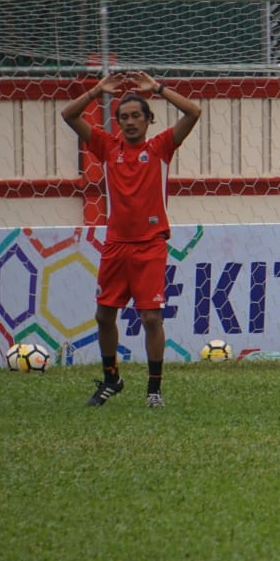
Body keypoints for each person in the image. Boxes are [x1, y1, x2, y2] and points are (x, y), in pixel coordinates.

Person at [61, 70, 202, 408]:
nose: (129, 122)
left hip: (150, 245)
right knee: (104, 316)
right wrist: (97, 90)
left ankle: (154, 389)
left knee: (151, 318)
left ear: (148, 119)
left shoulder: (161, 147)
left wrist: (158, 88)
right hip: (115, 246)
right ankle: (112, 379)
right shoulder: (108, 147)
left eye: (136, 115)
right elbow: (68, 114)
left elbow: (194, 112)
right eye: (123, 117)